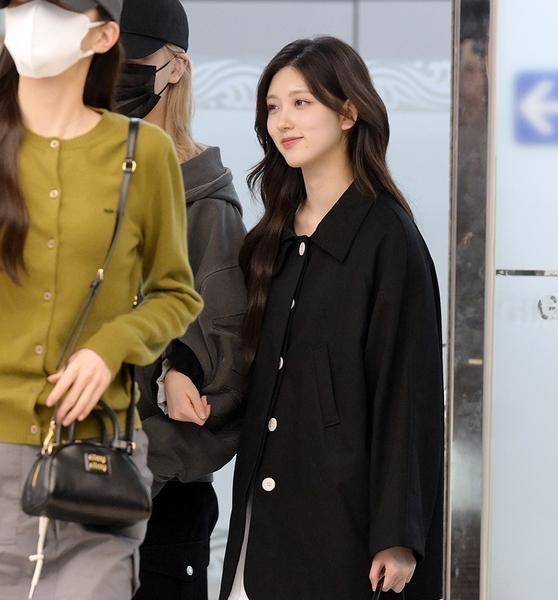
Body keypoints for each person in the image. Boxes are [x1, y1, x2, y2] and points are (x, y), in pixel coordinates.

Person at [219, 36, 445, 600]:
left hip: (344, 529)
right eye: (273, 106)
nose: (282, 121)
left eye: (302, 103)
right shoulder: (272, 236)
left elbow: (407, 393)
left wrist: (397, 536)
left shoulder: (388, 238)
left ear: (348, 113)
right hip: (262, 526)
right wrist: (181, 367)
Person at [0, 1, 203, 599]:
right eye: (18, 6)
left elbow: (176, 292)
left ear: (103, 33)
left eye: (54, 7)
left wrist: (109, 347)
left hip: (98, 463)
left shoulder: (145, 153)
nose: (32, 20)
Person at [115, 0, 247, 598]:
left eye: (131, 64)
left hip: (157, 515)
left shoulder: (207, 211)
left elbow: (224, 381)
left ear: (175, 68)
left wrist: (130, 469)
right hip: (56, 500)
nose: (113, 81)